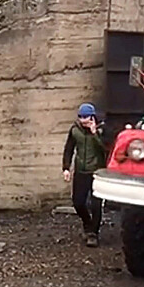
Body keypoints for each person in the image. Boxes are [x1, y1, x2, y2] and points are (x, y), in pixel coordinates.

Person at [62, 103, 106, 247]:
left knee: (96, 204)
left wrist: (94, 134)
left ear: (92, 117)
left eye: (86, 117)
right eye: (80, 117)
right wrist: (66, 168)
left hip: (97, 171)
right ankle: (87, 224)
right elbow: (69, 148)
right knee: (78, 202)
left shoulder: (101, 130)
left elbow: (105, 149)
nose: (83, 120)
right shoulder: (75, 130)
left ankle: (93, 233)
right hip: (81, 170)